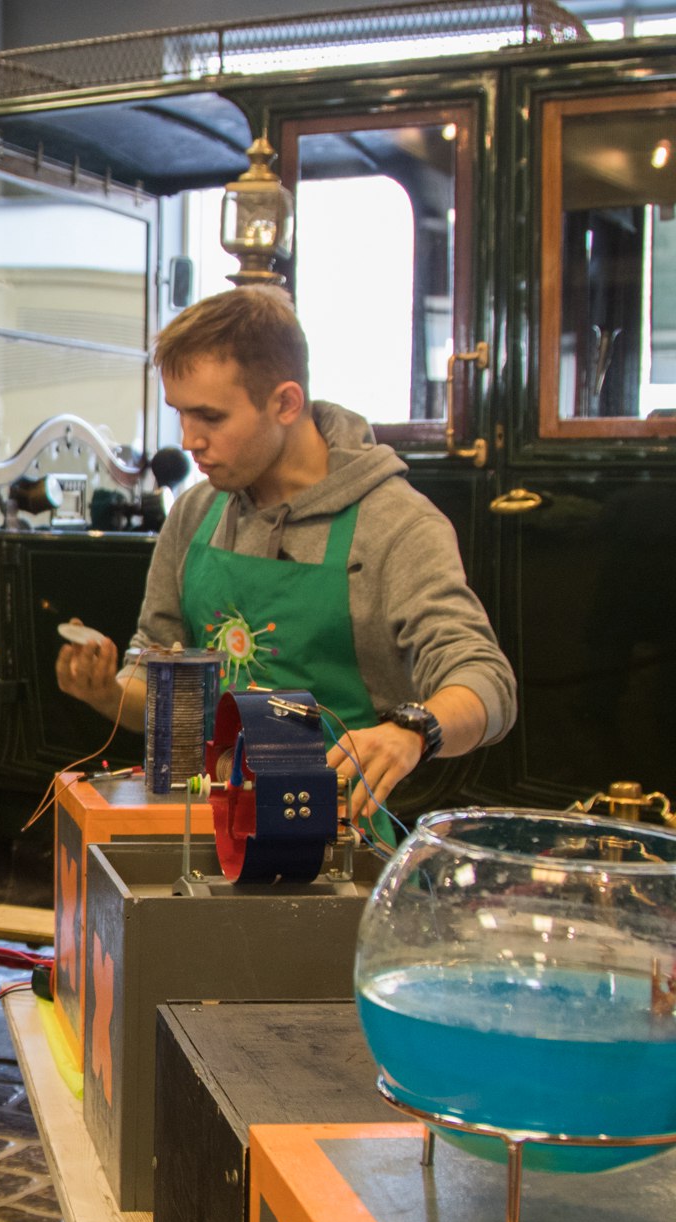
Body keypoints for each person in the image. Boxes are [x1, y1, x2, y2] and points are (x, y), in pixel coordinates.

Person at [55, 285, 516, 826]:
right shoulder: (195, 513)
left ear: (286, 402)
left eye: (211, 418)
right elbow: (162, 685)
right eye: (181, 414)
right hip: (208, 833)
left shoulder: (396, 525)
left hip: (338, 844)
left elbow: (486, 679)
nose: (189, 441)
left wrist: (412, 729)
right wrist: (108, 694)